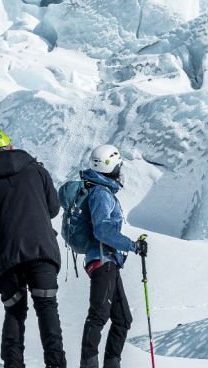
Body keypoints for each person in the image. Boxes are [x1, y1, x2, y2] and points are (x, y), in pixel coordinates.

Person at [0, 129, 67, 368]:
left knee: (14, 311)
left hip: (5, 257)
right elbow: (54, 208)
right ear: (9, 145)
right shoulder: (35, 169)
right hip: (40, 249)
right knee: (46, 307)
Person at [79, 144, 146, 368]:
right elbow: (102, 229)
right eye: (118, 165)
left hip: (108, 260)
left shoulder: (101, 190)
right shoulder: (101, 193)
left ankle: (111, 364)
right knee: (98, 315)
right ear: (111, 167)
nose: (120, 170)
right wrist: (133, 245)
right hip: (102, 259)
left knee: (123, 319)